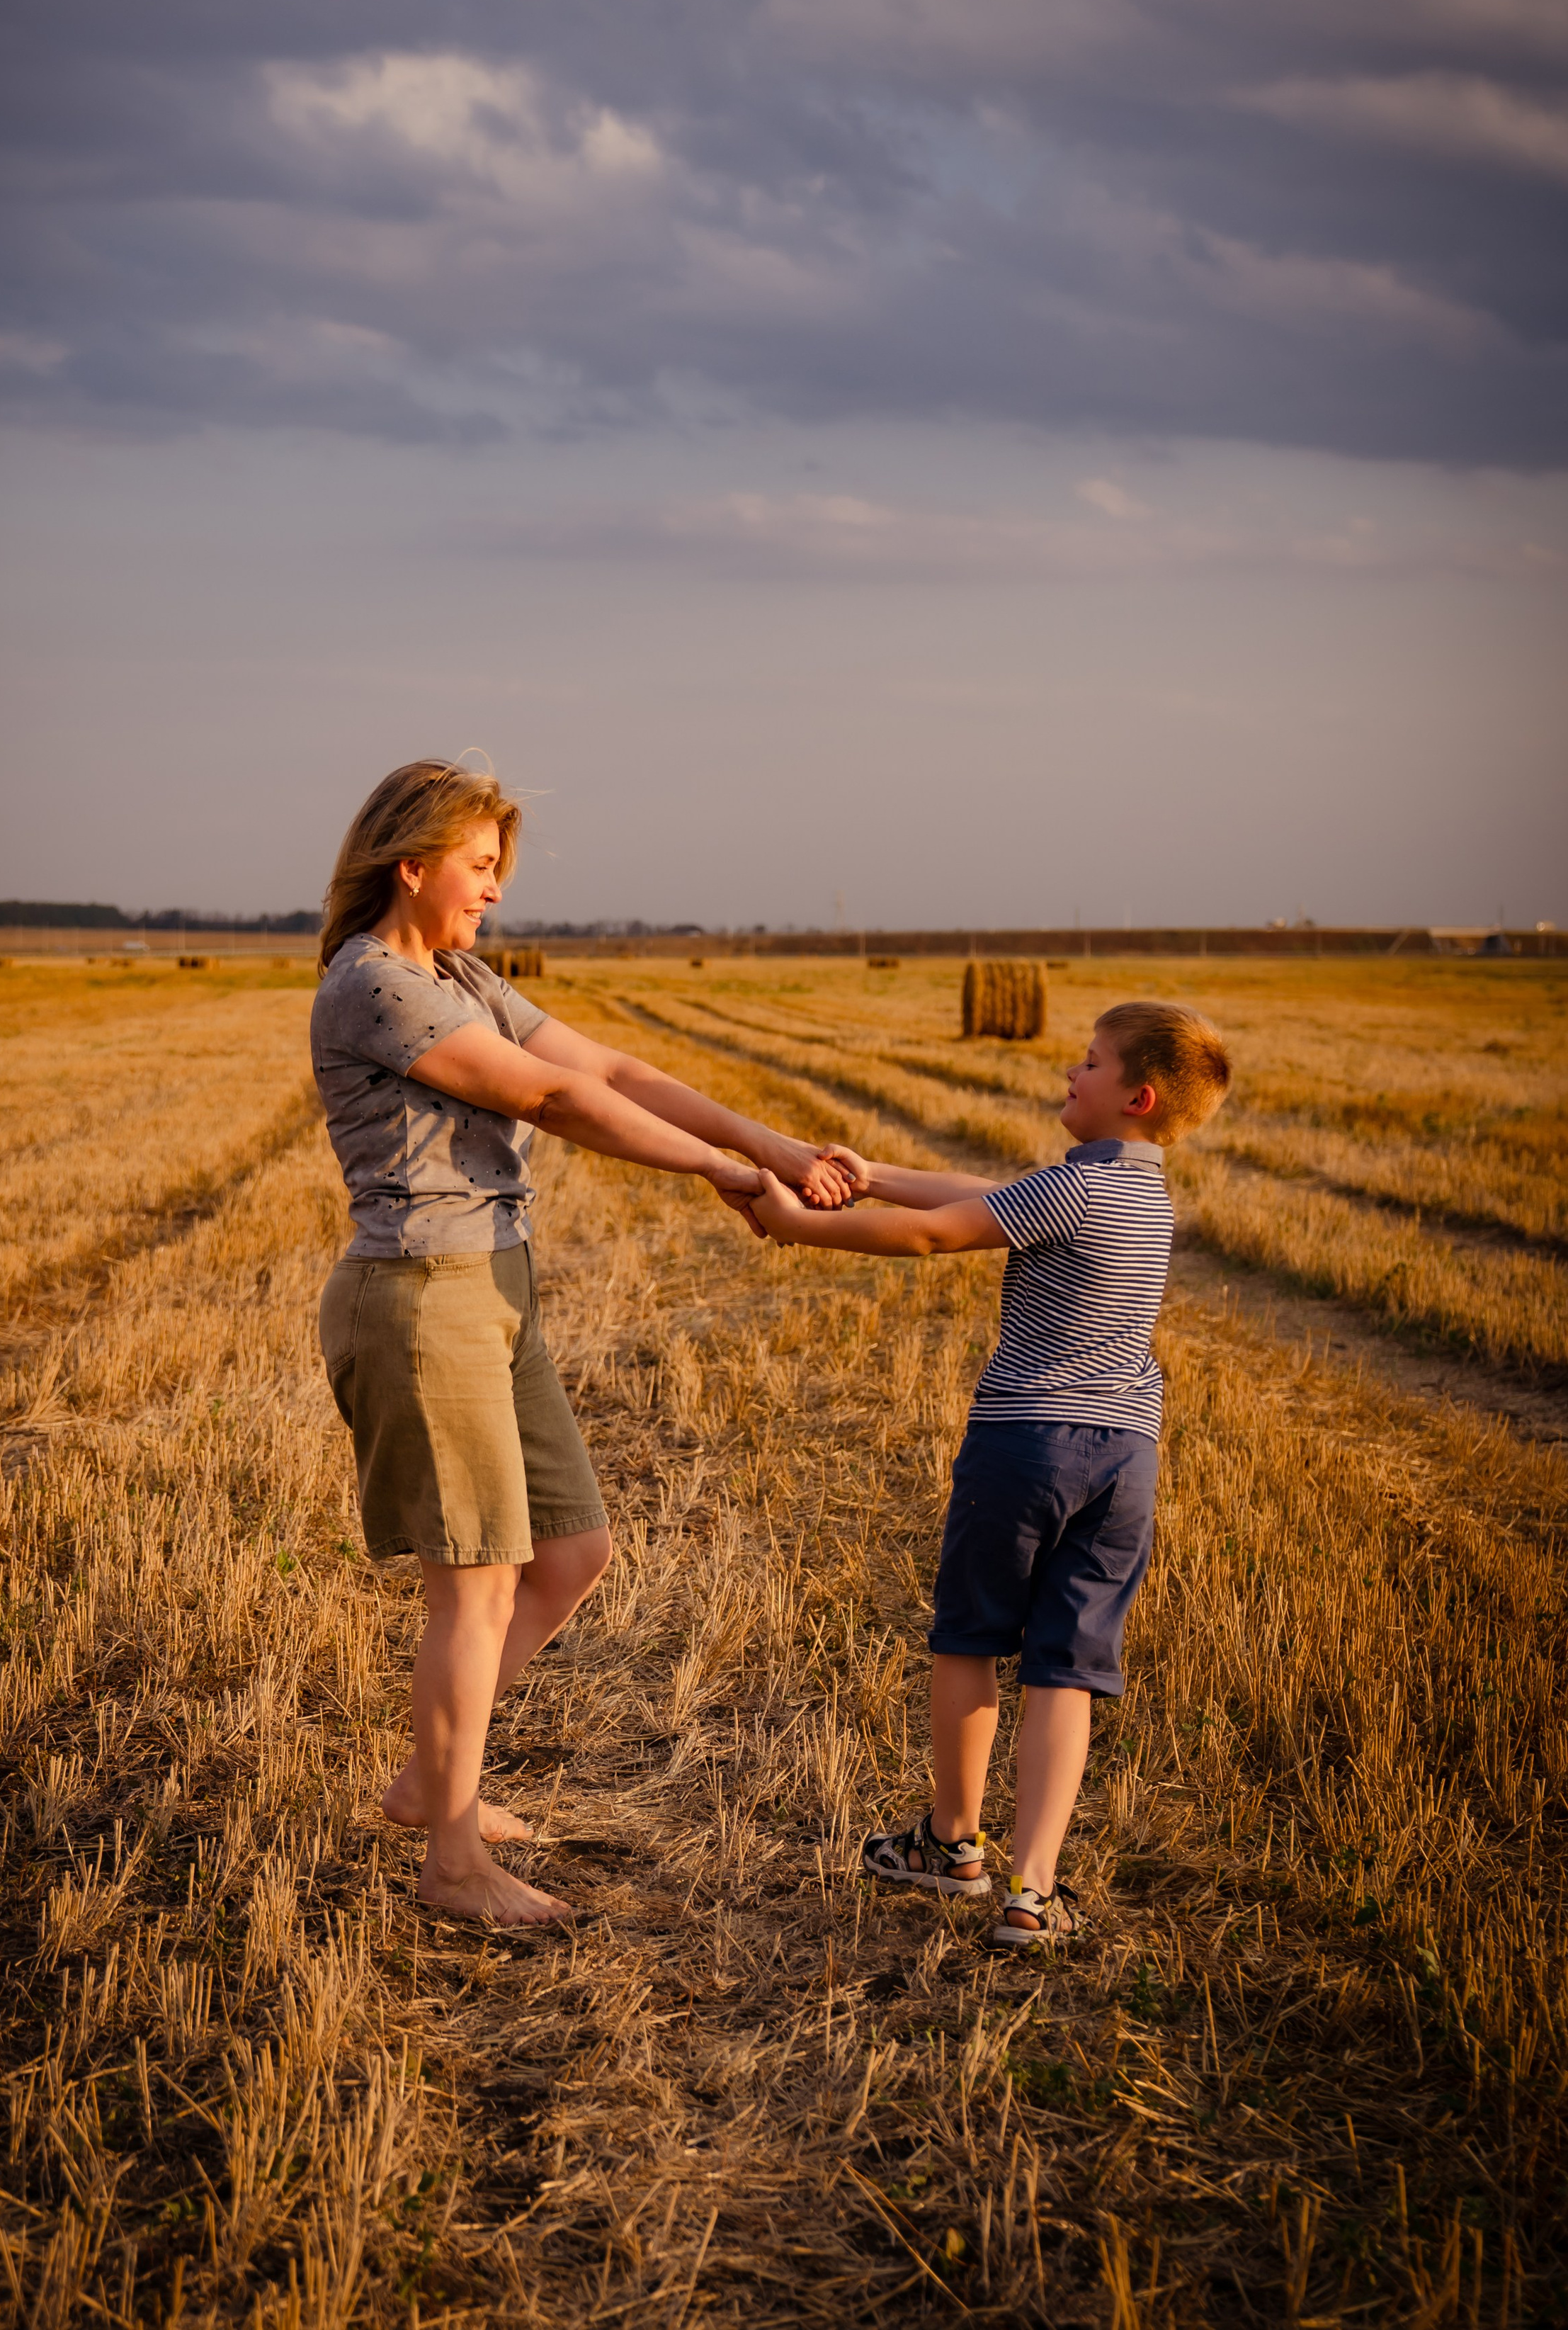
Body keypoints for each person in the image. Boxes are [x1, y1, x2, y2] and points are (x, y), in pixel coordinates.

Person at [311, 759, 850, 1928]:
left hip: (495, 1285)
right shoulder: (375, 989)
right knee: (477, 1583)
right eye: (480, 868)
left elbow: (608, 1068)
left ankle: (431, 1784)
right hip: (420, 1293)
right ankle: (451, 1865)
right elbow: (551, 1102)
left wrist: (777, 1145)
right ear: (413, 865)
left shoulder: (454, 973)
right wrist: (714, 1170)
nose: (494, 893)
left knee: (571, 1552)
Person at [740, 1000, 1231, 1947]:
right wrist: (873, 1173)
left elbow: (939, 1233)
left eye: (1088, 1064)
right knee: (1069, 1665)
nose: (1069, 1074)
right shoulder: (1143, 1196)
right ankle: (1032, 1890)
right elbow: (990, 1192)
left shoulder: (1073, 1192)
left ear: (1137, 1094)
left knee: (969, 1635)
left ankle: (951, 1843)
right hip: (1126, 1458)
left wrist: (800, 1225)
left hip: (1026, 1445)